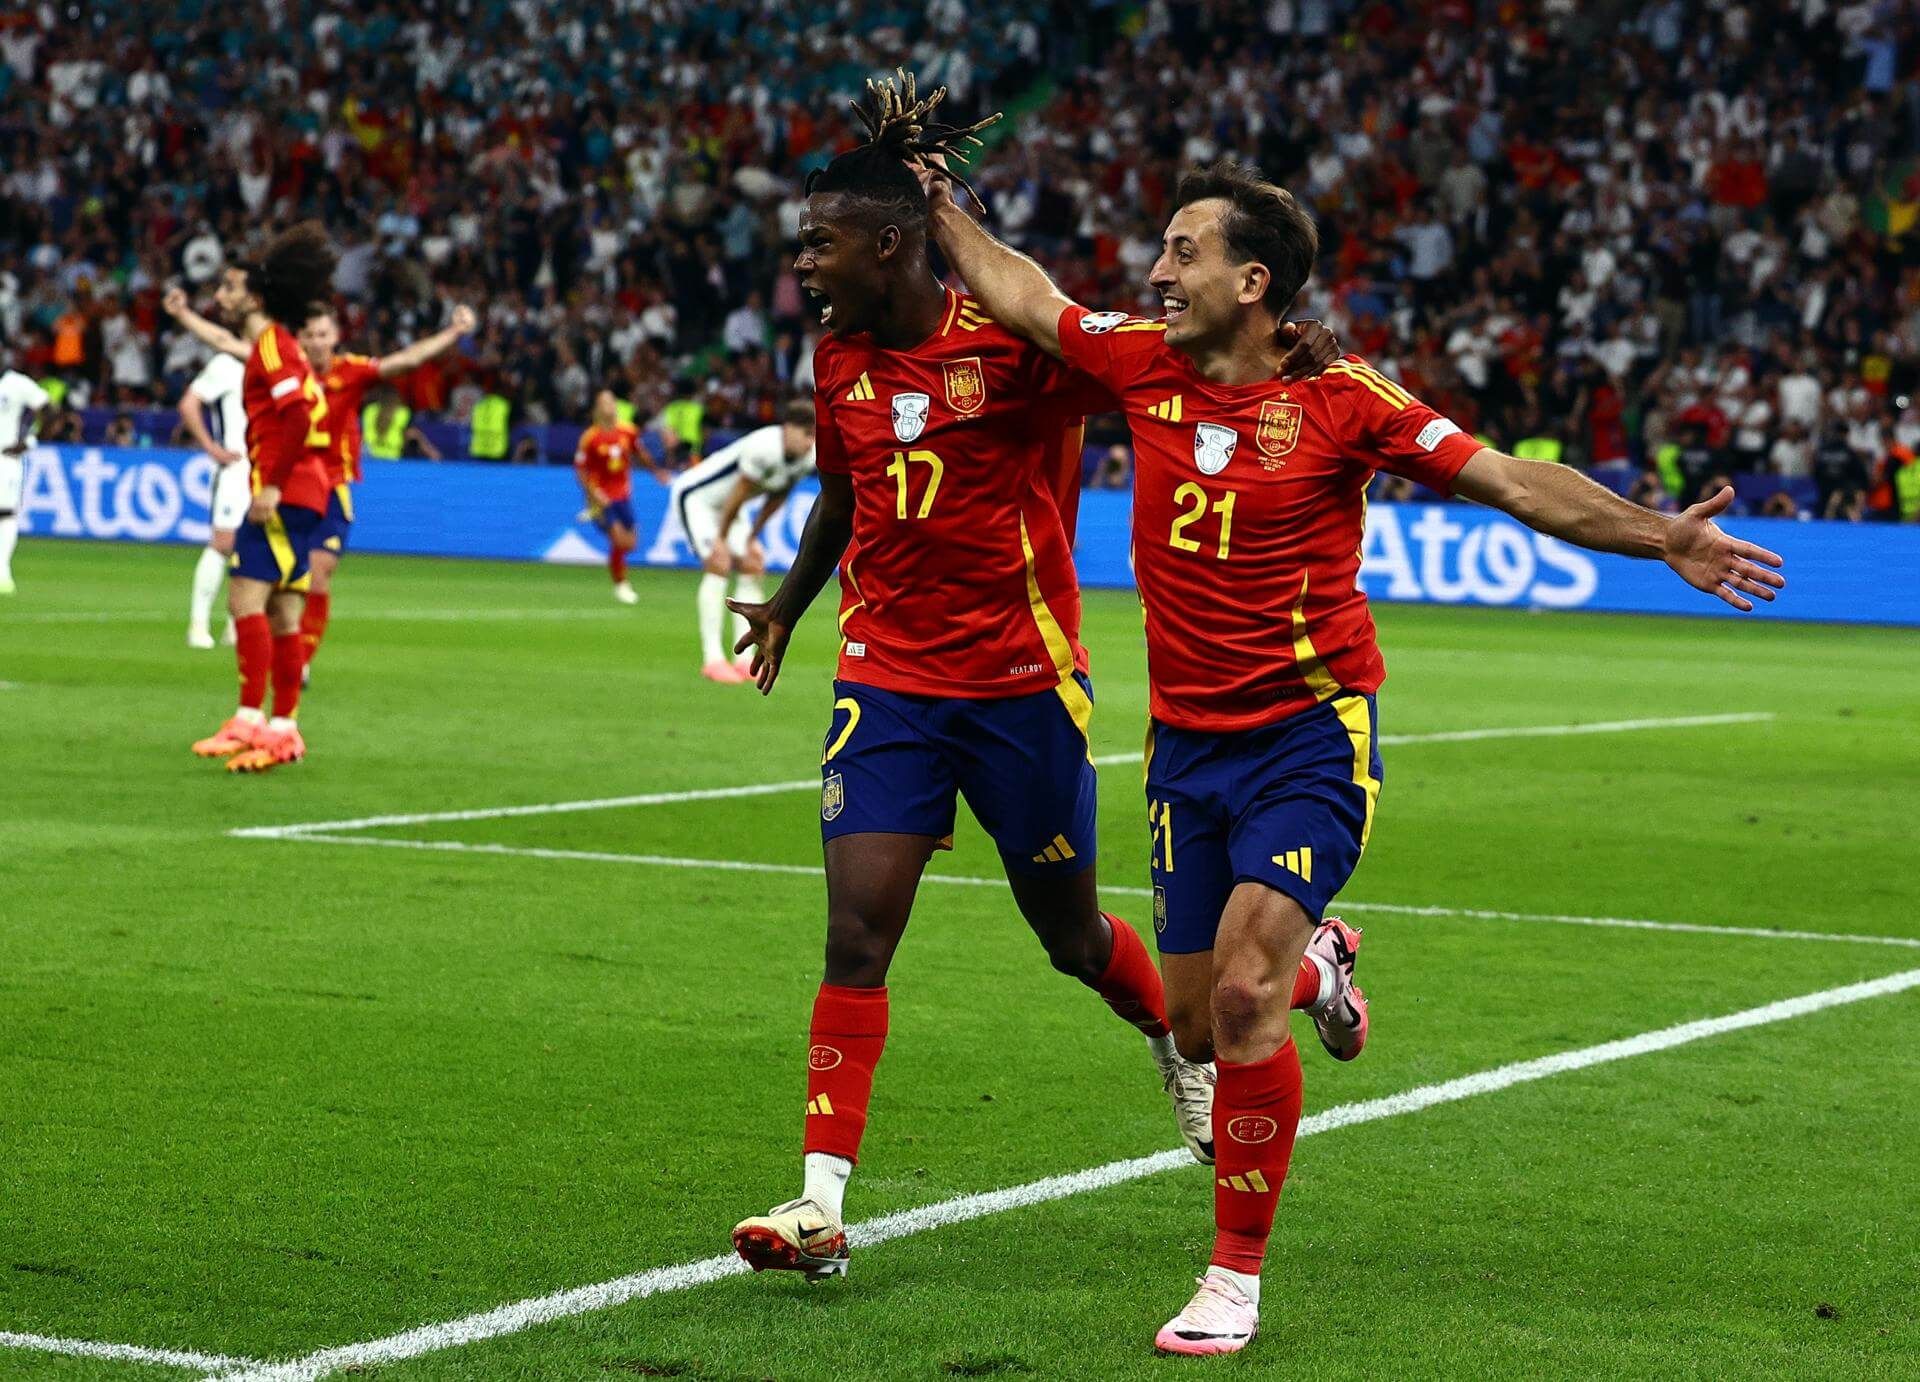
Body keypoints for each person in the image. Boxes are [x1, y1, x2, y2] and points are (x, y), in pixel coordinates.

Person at [924, 153, 1786, 1355]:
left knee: (1241, 995)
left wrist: (1660, 537)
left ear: (1253, 282)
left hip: (1309, 736)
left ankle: (1232, 1278)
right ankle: (1321, 962)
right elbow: (1028, 298)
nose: (1157, 270)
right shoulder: (1139, 360)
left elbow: (1509, 480)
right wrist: (938, 207)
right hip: (1185, 748)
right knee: (1191, 1024)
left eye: (1183, 251)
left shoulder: (1343, 399)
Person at [724, 79, 1343, 1283]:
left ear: (889, 244)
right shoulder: (836, 356)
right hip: (887, 678)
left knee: (1070, 935)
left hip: (1021, 685)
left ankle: (1175, 1038)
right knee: (857, 928)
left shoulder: (1012, 348)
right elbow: (842, 495)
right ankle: (819, 1204)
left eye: (820, 242)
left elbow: (1164, 362)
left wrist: (1282, 352)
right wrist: (791, 604)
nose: (803, 263)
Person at [167, 296, 476, 675]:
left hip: (330, 486)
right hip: (285, 485)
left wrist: (454, 331)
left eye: (323, 334)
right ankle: (270, 653)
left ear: (336, 337)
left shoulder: (352, 371)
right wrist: (183, 314)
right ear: (300, 337)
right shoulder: (284, 365)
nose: (316, 342)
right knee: (273, 583)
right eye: (310, 335)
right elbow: (225, 342)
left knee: (317, 572)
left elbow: (406, 360)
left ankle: (300, 663)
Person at [187, 223, 339, 774]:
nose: (221, 295)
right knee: (283, 610)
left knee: (244, 601)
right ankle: (282, 729)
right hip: (306, 490)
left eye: (230, 287)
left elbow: (297, 415)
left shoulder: (273, 345)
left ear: (254, 297)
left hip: (287, 490)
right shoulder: (274, 346)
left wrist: (271, 484)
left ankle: (250, 718)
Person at [667, 398, 816, 682]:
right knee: (719, 561)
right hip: (698, 499)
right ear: (788, 428)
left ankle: (743, 659)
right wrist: (721, 538)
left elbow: (778, 495)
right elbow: (740, 491)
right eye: (806, 434)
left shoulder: (807, 457)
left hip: (731, 507)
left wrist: (752, 536)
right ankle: (713, 659)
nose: (810, 442)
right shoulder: (763, 447)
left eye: (814, 436)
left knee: (752, 562)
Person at [167, 271, 256, 646]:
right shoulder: (227, 365)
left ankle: (236, 625)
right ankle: (198, 625)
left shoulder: (271, 362)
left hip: (266, 468)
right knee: (223, 542)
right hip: (236, 467)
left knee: (254, 549)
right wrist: (212, 447)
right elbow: (189, 403)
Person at [574, 389, 656, 604]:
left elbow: (640, 453)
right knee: (618, 539)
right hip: (602, 497)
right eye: (604, 403)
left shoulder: (628, 431)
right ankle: (621, 584)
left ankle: (619, 574)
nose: (609, 406)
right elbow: (580, 469)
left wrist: (656, 472)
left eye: (611, 402)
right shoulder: (590, 437)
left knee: (631, 543)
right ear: (597, 409)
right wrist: (592, 494)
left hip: (623, 495)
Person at [0, 352, 49, 595]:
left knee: (5, 514)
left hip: (5, 458)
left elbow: (49, 410)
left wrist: (29, 441)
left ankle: (2, 572)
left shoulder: (16, 383)